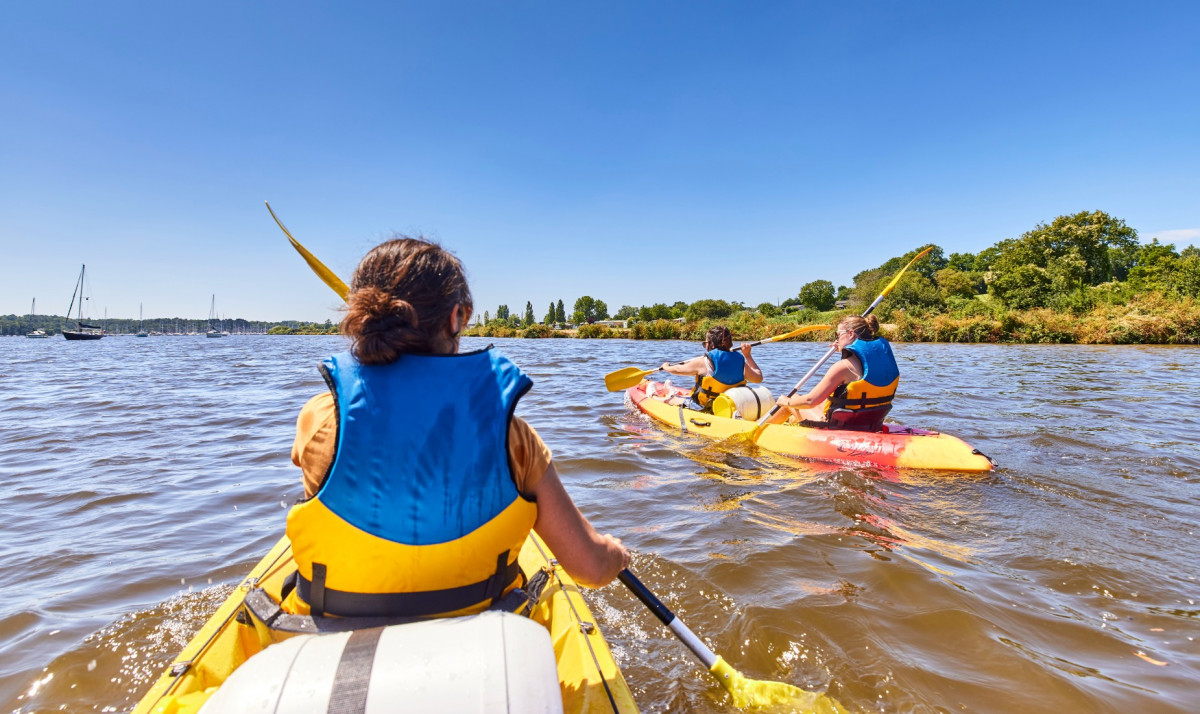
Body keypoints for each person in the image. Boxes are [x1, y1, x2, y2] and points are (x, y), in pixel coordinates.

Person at [283, 237, 629, 618]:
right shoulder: (513, 439)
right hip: (480, 641)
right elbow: (591, 568)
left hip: (337, 636)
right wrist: (615, 553)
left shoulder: (319, 419)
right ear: (456, 318)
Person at [770, 315, 899, 432]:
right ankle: (794, 422)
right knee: (823, 402)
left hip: (839, 428)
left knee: (792, 399)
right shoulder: (881, 362)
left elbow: (810, 401)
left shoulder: (842, 367)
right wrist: (843, 348)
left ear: (851, 334)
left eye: (838, 335)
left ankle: (762, 432)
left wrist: (785, 402)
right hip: (871, 423)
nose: (836, 340)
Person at [647, 325, 764, 412]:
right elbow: (758, 378)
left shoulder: (704, 362)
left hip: (703, 406)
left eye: (705, 343)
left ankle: (653, 396)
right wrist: (748, 356)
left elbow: (678, 370)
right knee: (682, 397)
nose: (705, 346)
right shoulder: (740, 360)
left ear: (711, 344)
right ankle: (671, 390)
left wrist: (666, 367)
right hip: (727, 405)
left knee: (672, 400)